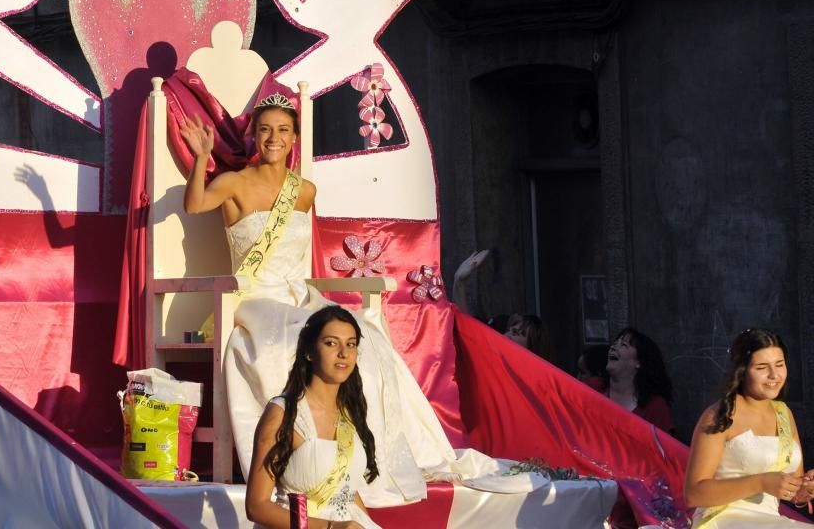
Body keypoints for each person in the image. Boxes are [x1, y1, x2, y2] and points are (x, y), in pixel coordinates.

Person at [180, 94, 547, 508]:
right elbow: (194, 205)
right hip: (255, 297)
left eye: (283, 130)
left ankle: (361, 457)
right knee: (294, 340)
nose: (273, 138)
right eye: (264, 129)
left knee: (361, 337)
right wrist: (201, 158)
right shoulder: (234, 182)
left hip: (299, 294)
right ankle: (300, 457)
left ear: (295, 137)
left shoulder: (305, 190)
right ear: (254, 135)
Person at [246, 306, 380, 529]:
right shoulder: (283, 413)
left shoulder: (350, 411)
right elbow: (256, 506)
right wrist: (331, 527)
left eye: (351, 344)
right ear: (309, 352)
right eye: (331, 343)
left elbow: (344, 491)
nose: (344, 353)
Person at [684, 328, 814, 527]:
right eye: (762, 367)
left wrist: (805, 489)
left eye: (779, 365)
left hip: (770, 519)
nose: (774, 375)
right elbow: (693, 494)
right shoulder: (721, 415)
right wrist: (760, 482)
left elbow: (793, 490)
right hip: (723, 518)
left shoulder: (784, 413)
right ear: (742, 371)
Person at [585, 328, 674, 433]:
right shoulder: (591, 387)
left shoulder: (655, 406)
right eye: (614, 343)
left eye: (623, 345)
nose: (613, 347)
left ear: (639, 362)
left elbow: (663, 447)